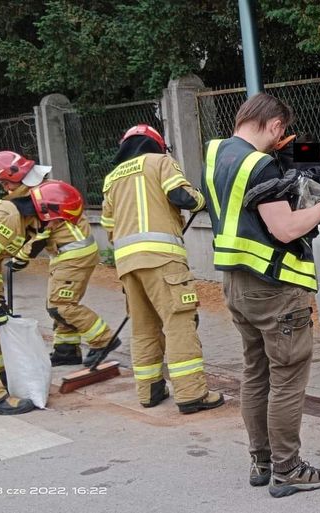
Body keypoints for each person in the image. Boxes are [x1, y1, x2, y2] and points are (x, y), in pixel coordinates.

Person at [201, 93, 320, 498]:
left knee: (256, 374)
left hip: (236, 284)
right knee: (287, 379)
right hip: (273, 287)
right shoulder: (259, 166)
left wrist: (293, 159)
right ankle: (288, 468)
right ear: (276, 126)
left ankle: (261, 462)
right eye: (282, 134)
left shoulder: (217, 154)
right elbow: (285, 229)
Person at [100, 124, 221, 413]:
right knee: (179, 323)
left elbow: (108, 227)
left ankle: (150, 390)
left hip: (127, 265)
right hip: (163, 261)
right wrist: (202, 199)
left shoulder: (112, 179)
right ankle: (191, 394)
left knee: (143, 328)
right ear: (156, 145)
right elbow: (183, 197)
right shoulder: (160, 162)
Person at [0, 180, 79, 415]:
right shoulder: (9, 218)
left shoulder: (18, 222)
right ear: (46, 212)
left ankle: (1, 381)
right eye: (60, 220)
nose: (58, 226)